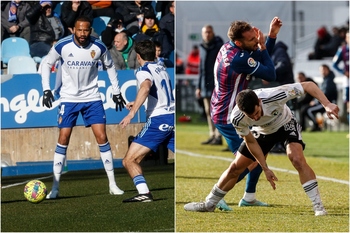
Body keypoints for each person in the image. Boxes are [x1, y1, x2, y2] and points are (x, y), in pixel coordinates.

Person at [184, 81, 339, 216]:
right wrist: (265, 167)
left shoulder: (274, 95)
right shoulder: (237, 118)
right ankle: (209, 204)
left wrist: (327, 104)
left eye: (257, 112)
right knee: (235, 167)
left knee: (296, 158)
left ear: (259, 101)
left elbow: (308, 85)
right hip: (262, 132)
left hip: (285, 124)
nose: (255, 118)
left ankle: (318, 206)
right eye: (251, 117)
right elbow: (251, 142)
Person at [40, 15, 126, 199]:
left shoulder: (99, 46)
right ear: (73, 29)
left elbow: (110, 67)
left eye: (86, 30)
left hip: (92, 97)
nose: (82, 33)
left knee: (102, 136)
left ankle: (112, 184)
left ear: (90, 30)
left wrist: (117, 91)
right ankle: (55, 188)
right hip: (69, 98)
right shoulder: (62, 45)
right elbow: (46, 64)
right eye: (79, 30)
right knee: (63, 138)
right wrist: (46, 90)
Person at [210, 17, 282, 210]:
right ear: (240, 42)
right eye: (252, 40)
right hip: (228, 115)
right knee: (247, 161)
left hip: (232, 109)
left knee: (259, 154)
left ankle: (249, 197)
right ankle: (219, 195)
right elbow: (270, 73)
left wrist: (271, 37)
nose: (256, 41)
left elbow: (258, 59)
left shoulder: (231, 48)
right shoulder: (238, 59)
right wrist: (265, 46)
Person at [120, 40, 174, 202]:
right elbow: (157, 92)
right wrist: (135, 102)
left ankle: (144, 193)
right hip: (171, 117)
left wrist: (131, 114)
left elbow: (146, 87)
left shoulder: (142, 71)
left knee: (129, 160)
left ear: (138, 56)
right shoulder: (161, 67)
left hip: (159, 120)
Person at [196, 25, 224, 145]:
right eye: (205, 32)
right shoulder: (202, 47)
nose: (207, 34)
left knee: (217, 111)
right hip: (205, 84)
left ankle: (219, 136)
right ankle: (212, 134)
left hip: (217, 84)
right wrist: (198, 86)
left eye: (209, 32)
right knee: (208, 111)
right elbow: (201, 68)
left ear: (213, 33)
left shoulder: (219, 46)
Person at [303, 64, 338, 131]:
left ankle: (317, 126)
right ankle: (317, 125)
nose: (323, 72)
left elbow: (325, 94)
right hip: (323, 103)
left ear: (328, 70)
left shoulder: (329, 81)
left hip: (326, 104)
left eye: (324, 70)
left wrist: (315, 101)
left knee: (308, 110)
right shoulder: (326, 80)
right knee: (306, 109)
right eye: (321, 70)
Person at [332, 31, 349, 124]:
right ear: (346, 38)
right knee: (349, 104)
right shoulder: (342, 50)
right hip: (348, 81)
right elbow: (334, 64)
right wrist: (343, 72)